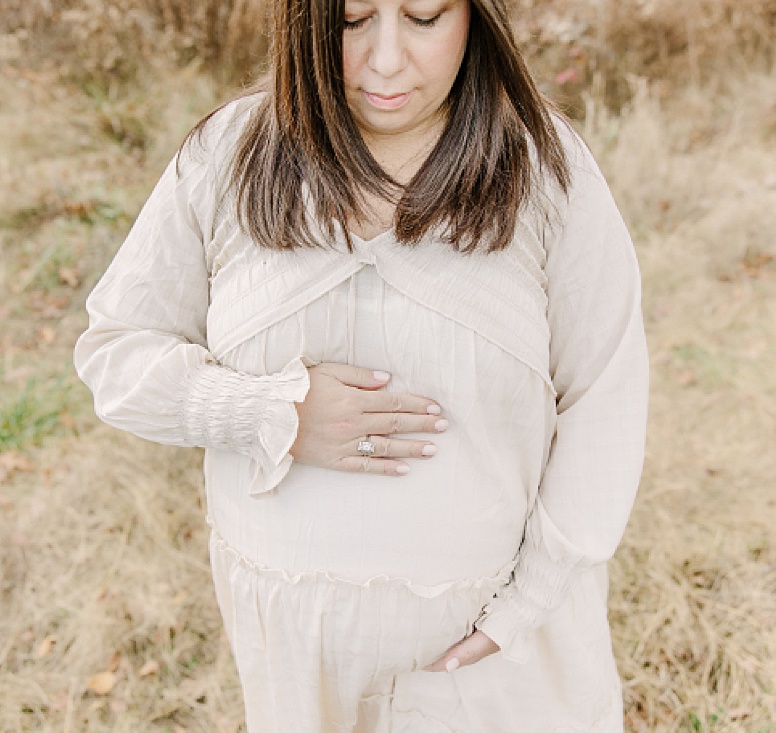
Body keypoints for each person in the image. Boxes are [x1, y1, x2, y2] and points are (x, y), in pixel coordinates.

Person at [72, 0, 649, 729]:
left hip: (496, 656)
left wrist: (524, 606)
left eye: (424, 16)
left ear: (474, 16)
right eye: (351, 21)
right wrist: (269, 411)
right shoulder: (229, 157)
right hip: (299, 658)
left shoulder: (542, 168)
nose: (385, 59)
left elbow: (607, 396)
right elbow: (117, 352)